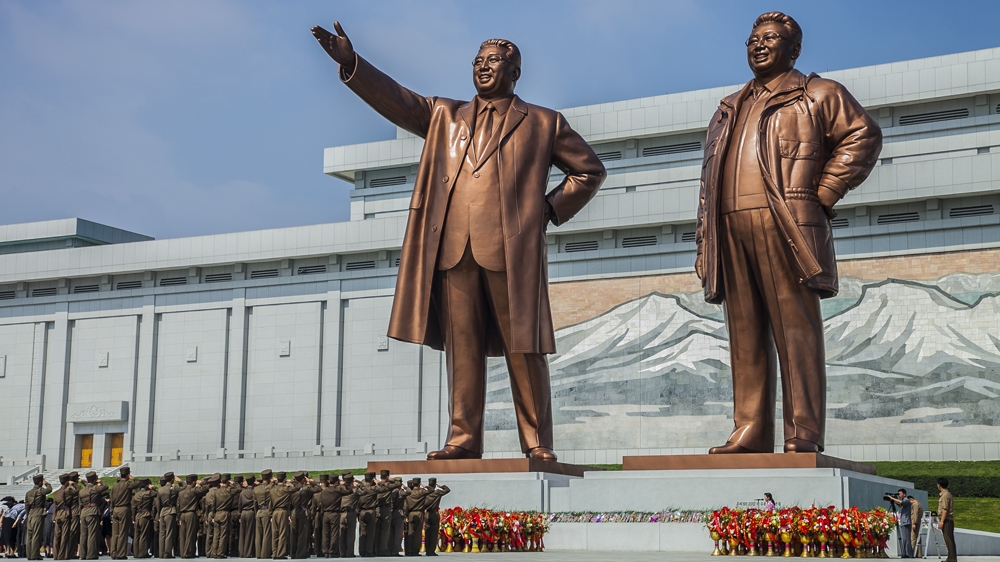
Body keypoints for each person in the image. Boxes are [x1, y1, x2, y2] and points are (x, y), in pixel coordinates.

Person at [313, 21, 606, 463]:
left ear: (515, 71)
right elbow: (397, 99)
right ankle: (463, 437)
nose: (483, 67)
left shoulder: (544, 122)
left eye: (494, 61)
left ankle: (537, 441)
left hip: (511, 249)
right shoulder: (443, 116)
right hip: (453, 249)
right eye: (478, 61)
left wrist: (544, 211)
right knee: (462, 349)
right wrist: (353, 64)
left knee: (523, 348)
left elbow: (589, 171)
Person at [696, 11, 882, 455]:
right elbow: (708, 180)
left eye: (771, 38)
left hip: (785, 222)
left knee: (795, 331)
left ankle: (803, 433)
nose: (758, 45)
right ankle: (749, 430)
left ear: (794, 49)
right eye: (753, 38)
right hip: (729, 226)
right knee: (744, 333)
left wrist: (824, 191)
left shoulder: (818, 94)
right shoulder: (729, 106)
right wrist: (706, 238)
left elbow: (864, 134)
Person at [109, 467, 140, 559]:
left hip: (115, 510)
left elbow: (112, 500)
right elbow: (138, 483)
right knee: (123, 532)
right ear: (127, 475)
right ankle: (121, 553)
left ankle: (113, 552)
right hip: (124, 509)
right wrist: (133, 478)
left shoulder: (115, 486)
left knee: (115, 533)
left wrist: (111, 511)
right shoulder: (127, 484)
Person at [289, 472, 320, 559]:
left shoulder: (292, 489)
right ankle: (300, 554)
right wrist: (311, 482)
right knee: (302, 534)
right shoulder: (307, 489)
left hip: (294, 511)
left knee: (293, 533)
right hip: (304, 511)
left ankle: (293, 553)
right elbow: (318, 488)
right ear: (303, 479)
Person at [177, 474, 208, 559]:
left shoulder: (181, 492)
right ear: (194, 482)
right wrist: (201, 483)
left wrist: (178, 516)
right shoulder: (194, 490)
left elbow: (178, 505)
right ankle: (188, 553)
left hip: (182, 514)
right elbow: (205, 489)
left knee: (183, 535)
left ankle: (183, 552)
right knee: (190, 534)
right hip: (191, 513)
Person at [79, 472, 109, 560]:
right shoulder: (95, 488)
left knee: (83, 535)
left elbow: (80, 503)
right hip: (93, 512)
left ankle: (83, 554)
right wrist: (101, 481)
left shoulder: (81, 491)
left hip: (84, 512)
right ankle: (91, 554)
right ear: (95, 480)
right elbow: (106, 486)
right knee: (92, 534)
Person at [268, 472, 296, 559]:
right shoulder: (286, 488)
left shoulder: (272, 490)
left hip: (275, 512)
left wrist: (271, 514)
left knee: (275, 534)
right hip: (283, 512)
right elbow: (295, 488)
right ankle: (280, 554)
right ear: (284, 479)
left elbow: (270, 503)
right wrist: (289, 482)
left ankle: (274, 553)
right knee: (282, 533)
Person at [25, 475, 52, 560]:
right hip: (38, 513)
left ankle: (29, 555)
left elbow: (26, 505)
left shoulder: (28, 492)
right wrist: (47, 483)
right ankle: (35, 555)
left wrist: (28, 514)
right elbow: (49, 490)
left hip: (30, 514)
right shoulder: (40, 490)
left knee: (29, 536)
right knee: (36, 535)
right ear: (40, 482)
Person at [402, 479, 430, 557]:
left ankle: (410, 550)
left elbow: (405, 506)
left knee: (410, 532)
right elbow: (431, 490)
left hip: (410, 513)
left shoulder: (409, 493)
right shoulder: (421, 491)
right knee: (418, 533)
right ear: (419, 484)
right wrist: (425, 486)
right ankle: (416, 550)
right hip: (419, 513)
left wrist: (405, 515)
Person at [422, 478, 450, 556]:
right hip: (434, 513)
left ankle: (427, 550)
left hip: (427, 513)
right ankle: (431, 550)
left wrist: (427, 487)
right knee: (434, 533)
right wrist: (441, 486)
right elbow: (447, 490)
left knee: (427, 532)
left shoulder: (426, 493)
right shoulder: (437, 492)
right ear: (435, 485)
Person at [375, 470, 399, 556]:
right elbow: (398, 484)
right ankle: (382, 550)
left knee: (377, 531)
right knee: (385, 531)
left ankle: (376, 550)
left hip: (377, 509)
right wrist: (392, 480)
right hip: (386, 509)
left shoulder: (376, 485)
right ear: (387, 477)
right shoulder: (389, 486)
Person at [132, 478, 157, 559]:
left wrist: (133, 518)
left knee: (137, 535)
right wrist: (153, 487)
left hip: (137, 516)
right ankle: (143, 553)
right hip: (145, 515)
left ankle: (136, 553)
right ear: (147, 485)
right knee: (144, 535)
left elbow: (133, 507)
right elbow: (158, 492)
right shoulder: (149, 493)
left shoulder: (136, 495)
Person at [253, 470, 273, 560]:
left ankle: (258, 553)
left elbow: (255, 503)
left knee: (258, 534)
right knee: (266, 533)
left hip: (259, 512)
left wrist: (256, 512)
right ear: (270, 478)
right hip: (267, 511)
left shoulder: (256, 489)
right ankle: (265, 554)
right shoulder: (271, 487)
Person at [338, 473, 359, 558]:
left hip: (341, 513)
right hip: (350, 513)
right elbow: (366, 491)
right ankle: (349, 553)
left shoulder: (339, 490)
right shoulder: (354, 491)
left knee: (341, 534)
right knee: (350, 534)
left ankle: (342, 552)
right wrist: (357, 483)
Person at [53, 474, 73, 560]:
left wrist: (54, 516)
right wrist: (73, 484)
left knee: (57, 536)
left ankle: (56, 554)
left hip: (58, 514)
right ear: (67, 481)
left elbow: (55, 505)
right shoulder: (69, 491)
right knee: (64, 535)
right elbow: (78, 491)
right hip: (65, 513)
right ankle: (63, 555)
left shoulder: (56, 492)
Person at [888, 489, 913, 558]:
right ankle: (906, 553)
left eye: (900, 494)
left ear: (904, 494)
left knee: (906, 538)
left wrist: (892, 498)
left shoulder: (906, 500)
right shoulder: (904, 501)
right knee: (905, 538)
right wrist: (894, 501)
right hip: (904, 521)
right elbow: (900, 504)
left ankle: (908, 554)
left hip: (906, 522)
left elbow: (901, 502)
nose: (899, 495)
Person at [937, 478, 956, 562]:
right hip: (948, 520)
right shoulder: (948, 494)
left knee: (948, 539)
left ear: (939, 485)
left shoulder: (945, 495)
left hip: (946, 520)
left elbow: (945, 509)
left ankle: (952, 559)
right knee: (949, 539)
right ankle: (950, 558)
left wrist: (942, 521)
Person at [238, 476, 256, 559]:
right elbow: (255, 504)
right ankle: (248, 552)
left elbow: (240, 504)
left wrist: (240, 514)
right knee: (249, 533)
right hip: (250, 512)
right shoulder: (253, 491)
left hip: (243, 513)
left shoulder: (242, 492)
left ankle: (241, 552)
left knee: (242, 533)